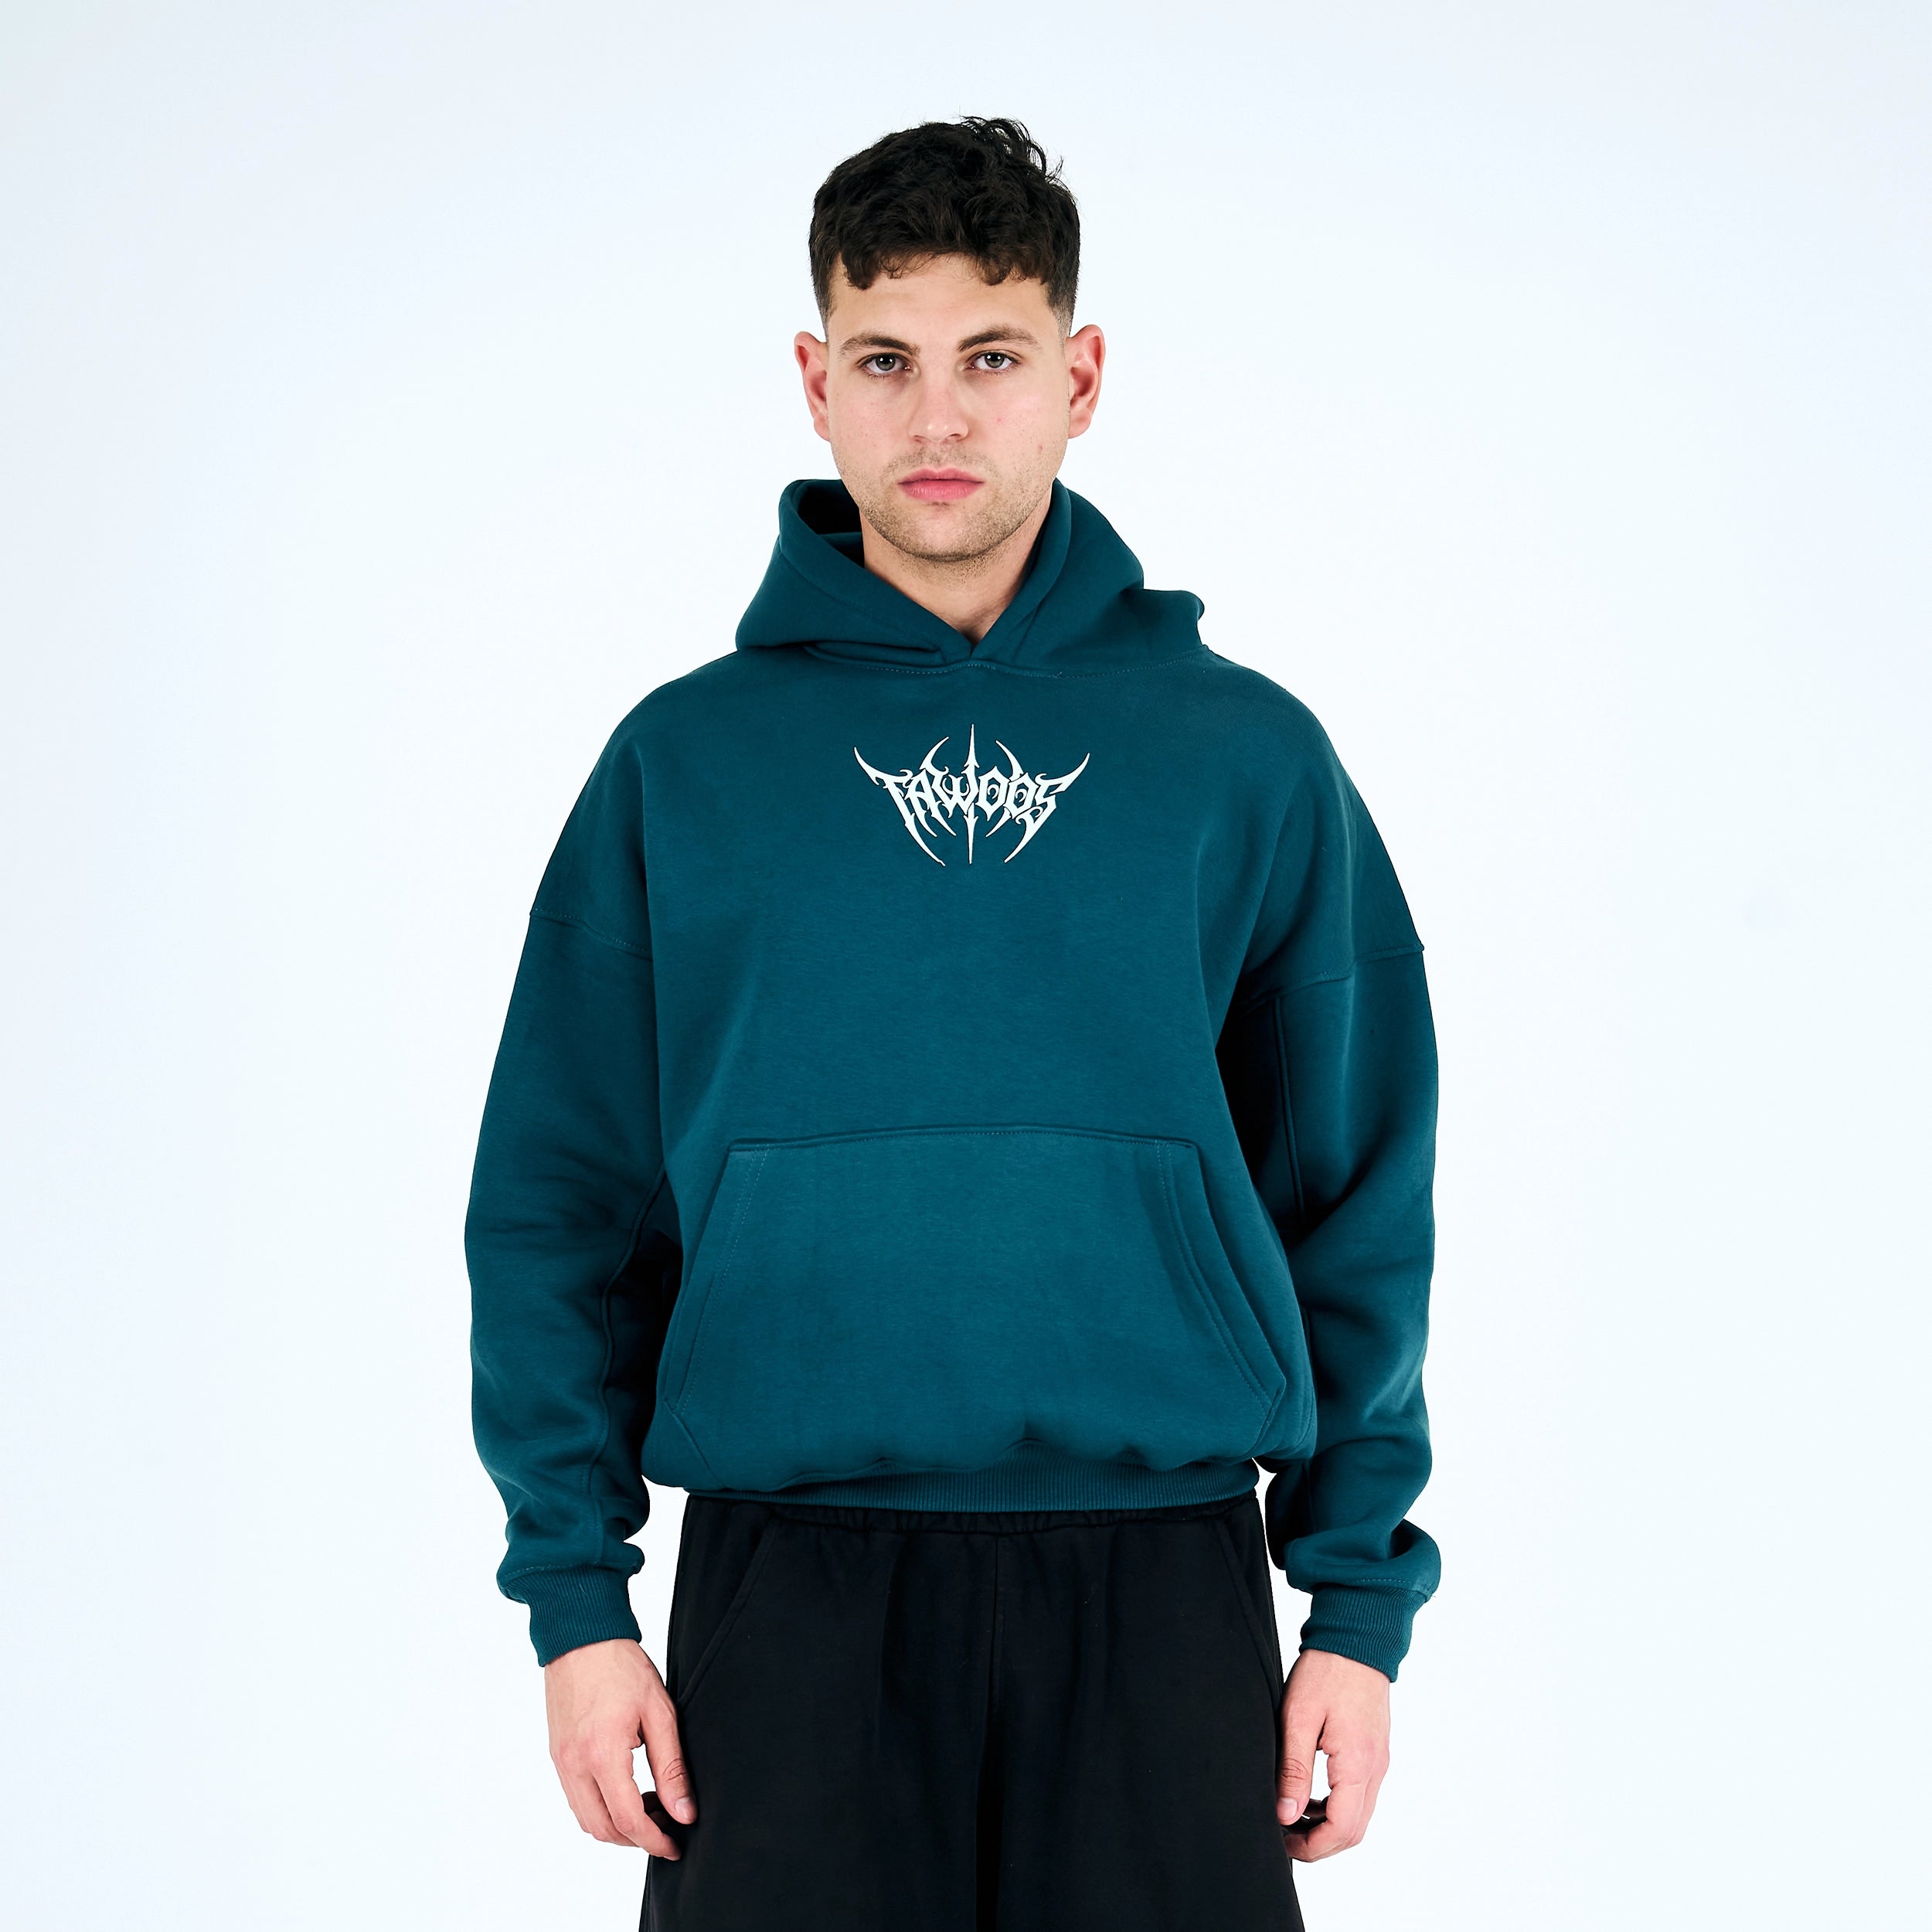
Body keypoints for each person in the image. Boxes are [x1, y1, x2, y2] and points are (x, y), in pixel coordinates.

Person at [466, 115, 1440, 1931]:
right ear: (811, 381)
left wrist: (1355, 1606)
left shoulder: (1241, 757)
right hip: (786, 1596)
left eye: (990, 357)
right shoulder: (682, 765)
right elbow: (557, 1207)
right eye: (883, 360)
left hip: (1159, 1589)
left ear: (1078, 377)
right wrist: (578, 1605)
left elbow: (1352, 1192)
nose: (935, 416)